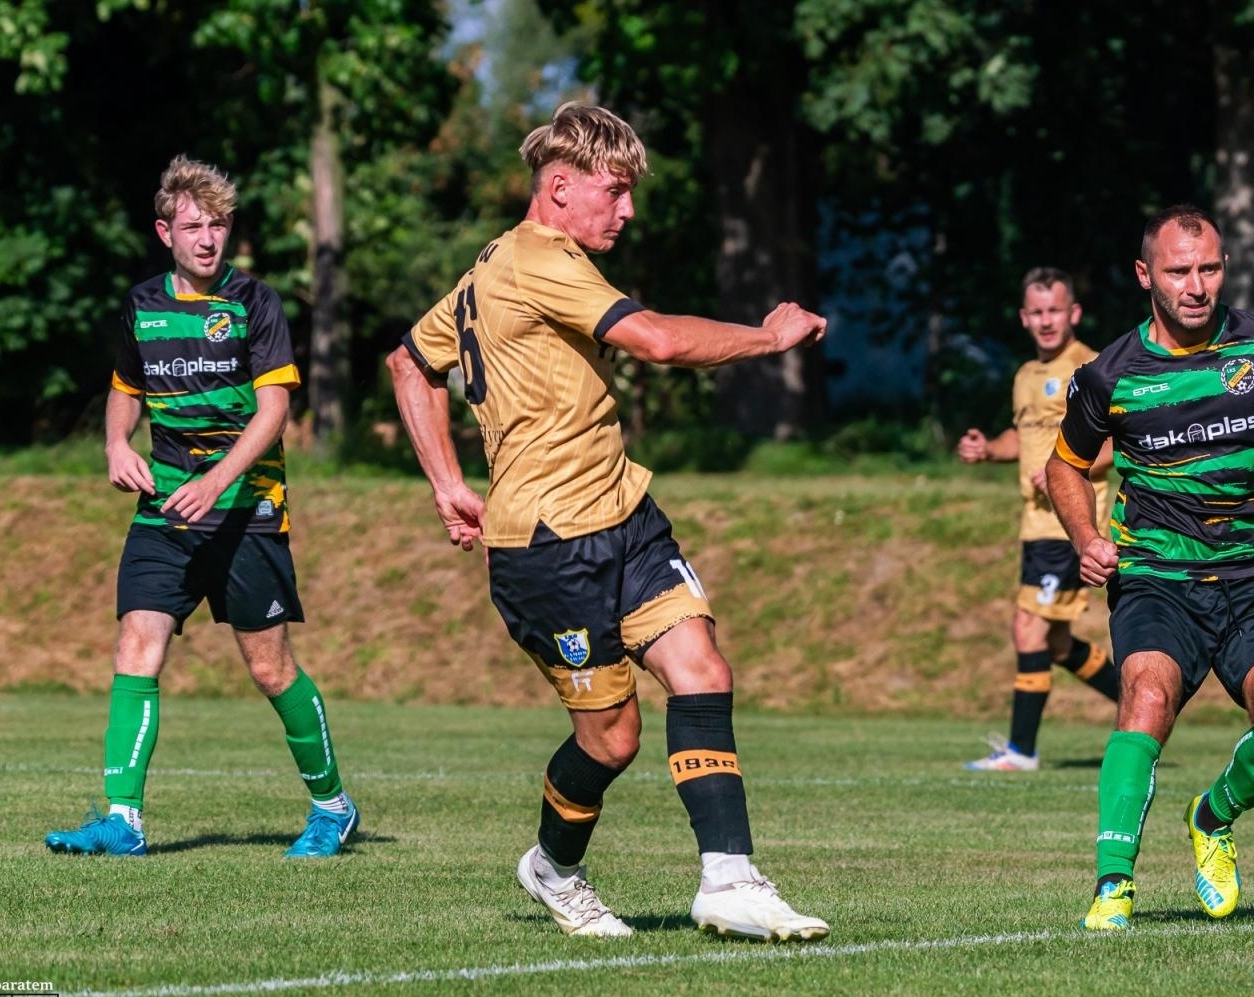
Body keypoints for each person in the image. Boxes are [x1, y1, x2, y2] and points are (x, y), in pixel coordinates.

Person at [386, 102, 829, 941]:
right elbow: (656, 341)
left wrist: (447, 481)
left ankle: (730, 880)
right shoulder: (536, 259)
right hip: (549, 545)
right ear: (559, 188)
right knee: (614, 737)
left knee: (701, 667)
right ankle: (552, 866)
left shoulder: (496, 265)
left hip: (623, 512)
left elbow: (409, 360)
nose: (626, 212)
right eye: (614, 192)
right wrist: (769, 338)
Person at [1044, 205, 1254, 931]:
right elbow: (1063, 467)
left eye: (1209, 268)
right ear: (1145, 275)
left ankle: (1211, 816)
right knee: (1146, 696)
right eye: (1179, 271)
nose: (1196, 285)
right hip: (1157, 574)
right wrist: (1086, 534)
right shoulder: (1109, 374)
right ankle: (1113, 886)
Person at [45, 156, 357, 859]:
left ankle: (332, 806)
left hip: (246, 509)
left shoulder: (256, 302)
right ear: (165, 231)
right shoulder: (142, 305)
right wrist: (115, 442)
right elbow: (127, 384)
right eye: (194, 226)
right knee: (136, 643)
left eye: (218, 225)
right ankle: (123, 820)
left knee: (269, 668)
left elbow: (275, 409)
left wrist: (217, 481)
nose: (208, 239)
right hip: (164, 509)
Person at [955, 267, 1118, 771]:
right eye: (1038, 312)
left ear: (1073, 313)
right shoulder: (1025, 375)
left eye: (1055, 310)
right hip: (1034, 526)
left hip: (1070, 525)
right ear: (1026, 318)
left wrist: (1069, 468)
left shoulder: (1089, 367)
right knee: (1058, 643)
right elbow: (1022, 440)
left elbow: (1118, 439)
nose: (1047, 321)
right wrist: (989, 450)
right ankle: (1143, 707)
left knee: (1027, 630)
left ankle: (1021, 753)